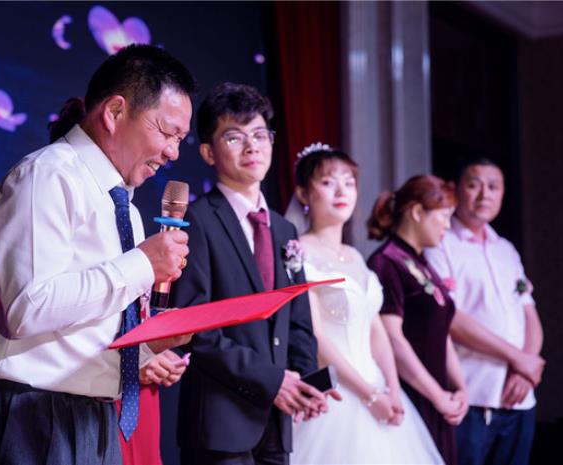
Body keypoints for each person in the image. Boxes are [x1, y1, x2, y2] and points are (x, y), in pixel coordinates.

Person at [0, 44, 195, 465]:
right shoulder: (47, 174)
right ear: (115, 112)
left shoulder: (126, 208)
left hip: (94, 415)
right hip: (28, 413)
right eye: (167, 132)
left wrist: (151, 344)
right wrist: (141, 264)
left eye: (180, 139)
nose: (173, 152)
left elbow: (87, 329)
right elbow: (27, 308)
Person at [170, 83, 335, 465]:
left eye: (261, 135)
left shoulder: (284, 229)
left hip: (277, 423)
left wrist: (307, 381)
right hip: (219, 422)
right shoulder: (197, 220)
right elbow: (195, 327)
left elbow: (297, 319)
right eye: (235, 137)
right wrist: (273, 381)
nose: (252, 147)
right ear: (208, 152)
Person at [285, 144, 444, 464]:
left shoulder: (355, 256)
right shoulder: (298, 252)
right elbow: (315, 336)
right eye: (328, 182)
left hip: (378, 387)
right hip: (336, 392)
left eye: (349, 182)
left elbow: (377, 332)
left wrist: (392, 390)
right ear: (303, 193)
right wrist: (368, 395)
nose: (341, 190)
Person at [424, 159, 545, 465]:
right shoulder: (440, 244)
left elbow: (529, 313)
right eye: (474, 185)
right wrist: (518, 358)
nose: (484, 195)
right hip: (473, 397)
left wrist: (525, 368)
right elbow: (449, 317)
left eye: (493, 187)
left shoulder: (506, 249)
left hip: (520, 397)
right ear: (456, 190)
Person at [367, 175, 470, 465]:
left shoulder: (423, 262)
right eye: (444, 216)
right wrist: (437, 395)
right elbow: (392, 338)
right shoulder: (386, 262)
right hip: (410, 394)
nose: (448, 226)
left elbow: (441, 330)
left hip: (438, 395)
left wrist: (460, 387)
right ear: (416, 212)